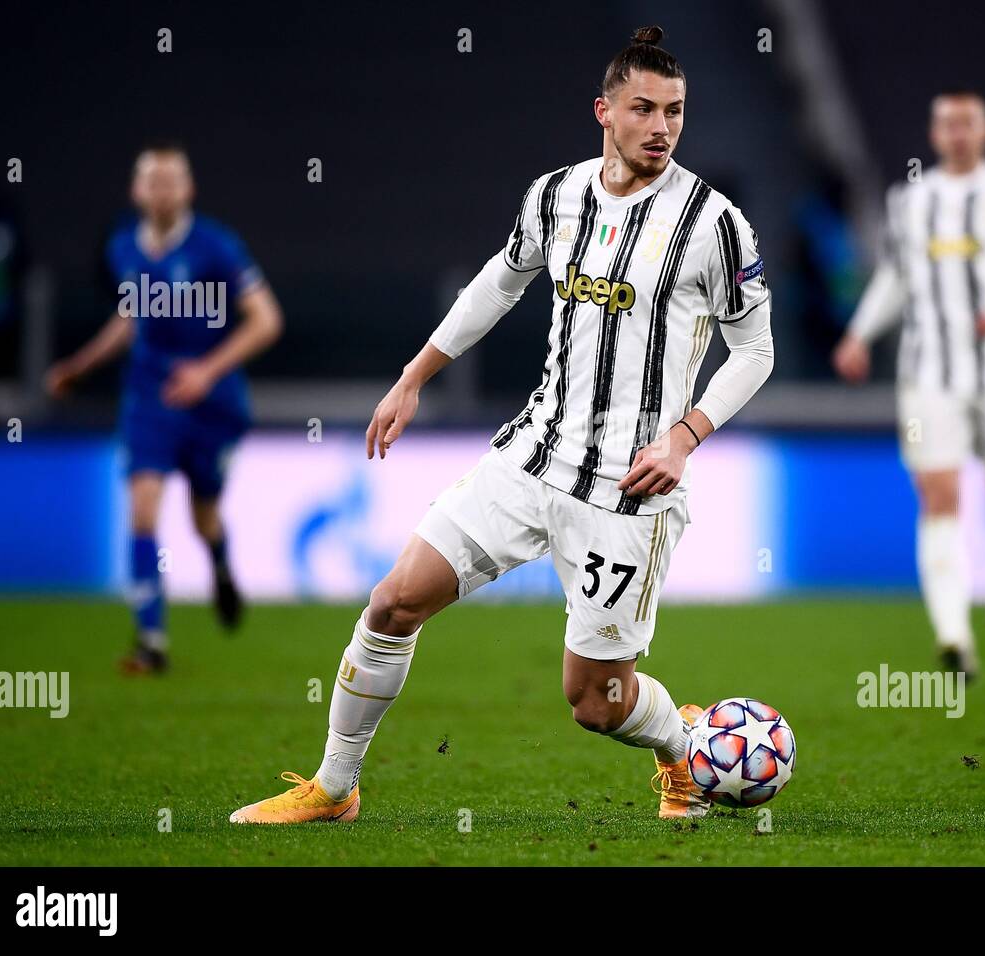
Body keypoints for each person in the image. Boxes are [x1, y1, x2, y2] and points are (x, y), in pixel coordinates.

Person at [230, 26, 774, 824]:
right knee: (391, 603)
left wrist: (685, 435)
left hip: (627, 493)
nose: (662, 128)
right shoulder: (554, 195)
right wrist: (415, 377)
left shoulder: (714, 222)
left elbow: (755, 349)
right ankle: (334, 788)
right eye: (644, 109)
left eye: (676, 113)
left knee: (595, 702)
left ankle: (681, 746)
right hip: (532, 457)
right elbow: (501, 281)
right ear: (604, 111)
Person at [833, 91, 985, 685]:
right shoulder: (909, 201)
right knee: (938, 497)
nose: (957, 133)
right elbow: (896, 275)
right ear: (934, 133)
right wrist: (860, 333)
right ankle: (954, 636)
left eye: (967, 122)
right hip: (929, 378)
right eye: (946, 123)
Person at [46, 143, 283, 674]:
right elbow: (131, 319)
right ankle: (151, 640)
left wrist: (206, 371)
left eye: (171, 180)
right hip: (149, 397)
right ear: (136, 190)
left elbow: (266, 319)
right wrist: (79, 366)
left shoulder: (217, 247)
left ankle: (220, 568)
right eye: (152, 181)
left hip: (212, 405)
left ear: (188, 189)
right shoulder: (122, 248)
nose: (162, 190)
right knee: (144, 507)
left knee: (203, 519)